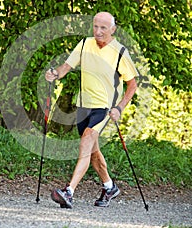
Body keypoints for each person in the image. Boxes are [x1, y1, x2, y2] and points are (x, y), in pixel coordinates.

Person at [45, 12, 138, 208]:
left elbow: (132, 85)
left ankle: (69, 191)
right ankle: (109, 186)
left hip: (104, 108)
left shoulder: (120, 52)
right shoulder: (85, 44)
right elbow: (66, 67)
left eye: (103, 28)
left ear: (113, 29)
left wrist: (119, 108)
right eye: (96, 26)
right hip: (83, 106)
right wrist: (55, 74)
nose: (98, 31)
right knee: (93, 152)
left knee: (87, 140)